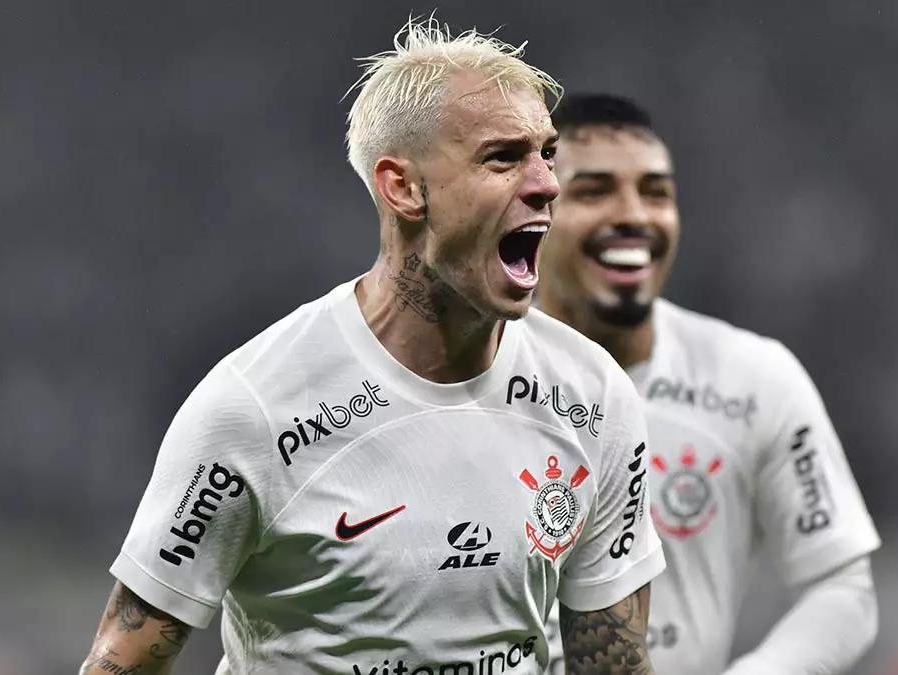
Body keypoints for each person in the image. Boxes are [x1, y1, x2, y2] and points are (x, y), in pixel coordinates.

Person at [79, 24, 666, 675]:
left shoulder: (593, 396)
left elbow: (612, 661)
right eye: (503, 158)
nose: (547, 183)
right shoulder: (253, 408)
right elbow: (122, 659)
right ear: (403, 188)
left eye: (547, 154)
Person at [537, 93, 882, 675]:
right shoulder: (471, 376)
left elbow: (842, 586)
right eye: (594, 191)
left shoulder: (753, 378)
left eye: (656, 193)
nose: (634, 216)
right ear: (535, 211)